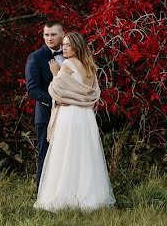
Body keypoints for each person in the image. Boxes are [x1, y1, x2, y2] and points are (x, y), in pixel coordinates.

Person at [34, 31, 115, 212]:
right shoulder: (90, 67)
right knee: (85, 154)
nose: (64, 48)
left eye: (68, 45)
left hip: (70, 115)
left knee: (66, 153)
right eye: (63, 45)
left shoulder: (68, 64)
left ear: (77, 46)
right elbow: (90, 93)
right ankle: (89, 196)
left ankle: (66, 196)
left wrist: (55, 73)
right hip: (86, 115)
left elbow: (56, 90)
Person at [25, 21, 65, 186]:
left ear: (62, 34)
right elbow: (32, 90)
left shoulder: (71, 55)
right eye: (46, 35)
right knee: (46, 155)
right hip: (47, 115)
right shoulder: (35, 57)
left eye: (53, 34)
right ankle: (41, 195)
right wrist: (57, 100)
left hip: (70, 115)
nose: (49, 38)